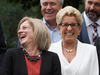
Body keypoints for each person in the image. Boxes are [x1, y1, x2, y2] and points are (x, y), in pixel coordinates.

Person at [49, 6, 99, 75]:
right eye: (65, 24)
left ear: (79, 29)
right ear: (59, 28)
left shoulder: (91, 51)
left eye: (73, 25)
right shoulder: (50, 50)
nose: (69, 28)